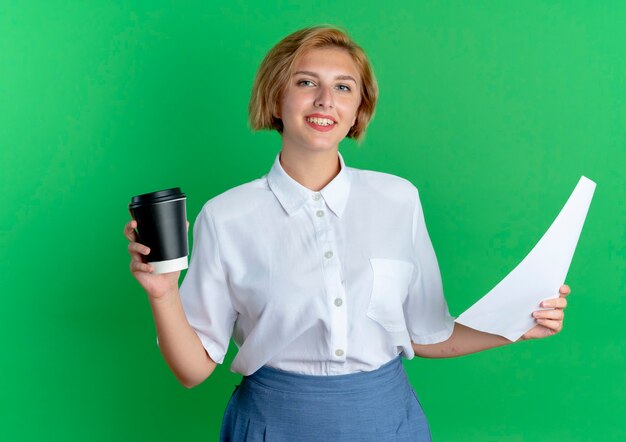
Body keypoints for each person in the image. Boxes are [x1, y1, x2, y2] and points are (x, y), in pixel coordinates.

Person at [124, 25, 570, 441]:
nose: (325, 100)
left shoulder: (399, 199)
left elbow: (426, 335)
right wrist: (162, 292)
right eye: (305, 82)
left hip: (389, 422)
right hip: (272, 425)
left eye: (343, 87)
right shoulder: (226, 217)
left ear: (359, 107)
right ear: (276, 97)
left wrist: (517, 325)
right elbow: (193, 370)